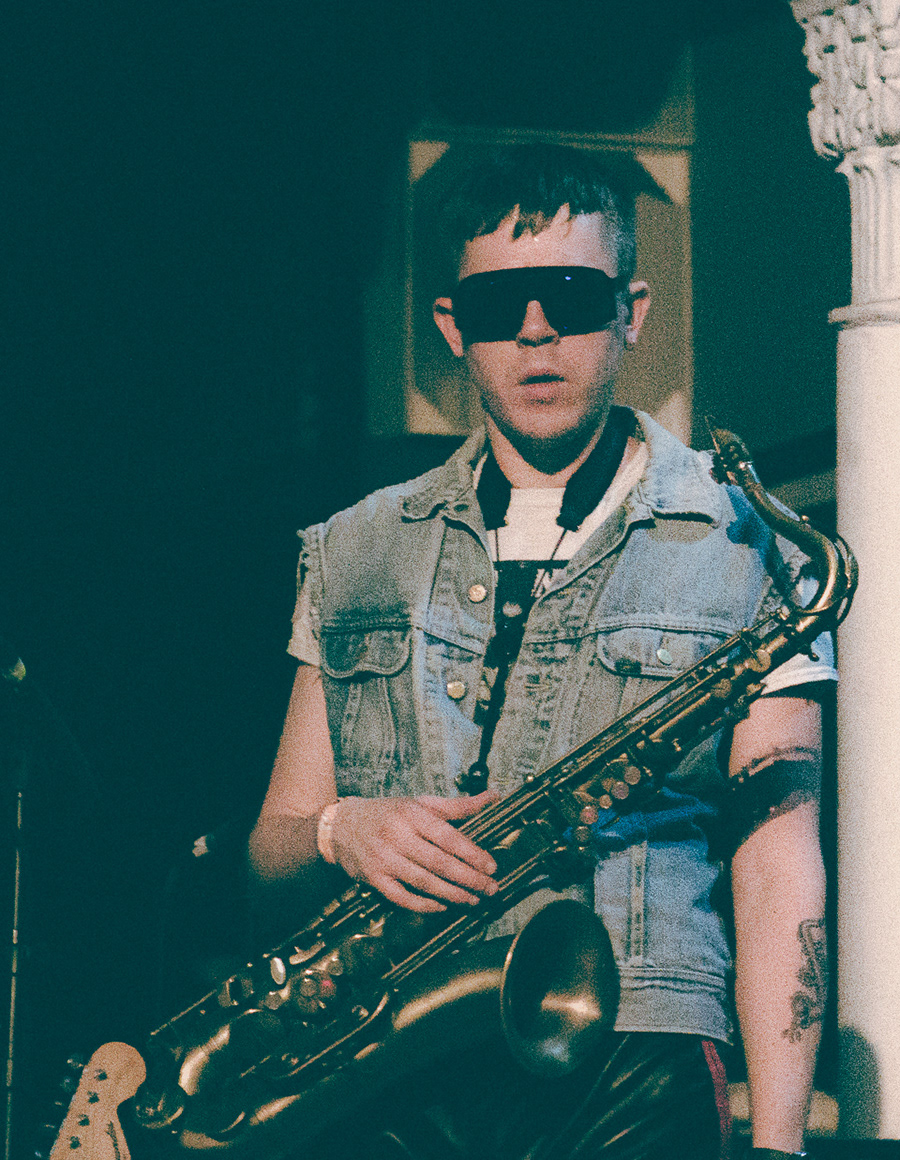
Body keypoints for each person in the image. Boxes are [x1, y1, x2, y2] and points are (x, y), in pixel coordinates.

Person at [249, 145, 829, 1160]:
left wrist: (778, 1143)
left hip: (634, 1054)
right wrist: (344, 829)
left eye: (570, 295)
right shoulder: (355, 547)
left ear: (631, 312)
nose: (534, 330)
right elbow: (272, 847)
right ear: (451, 327)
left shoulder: (749, 544)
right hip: (392, 1056)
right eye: (496, 305)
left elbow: (779, 864)